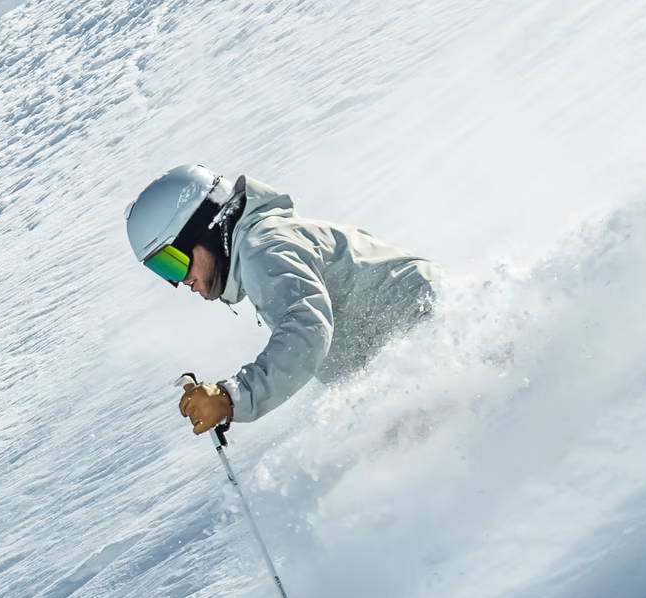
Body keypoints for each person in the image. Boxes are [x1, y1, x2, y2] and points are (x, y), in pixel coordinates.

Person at [124, 166, 441, 434]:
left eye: (173, 261)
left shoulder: (262, 247)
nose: (181, 281)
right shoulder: (264, 242)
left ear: (201, 230)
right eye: (162, 270)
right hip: (421, 345)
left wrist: (231, 397)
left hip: (430, 333)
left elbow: (306, 327)